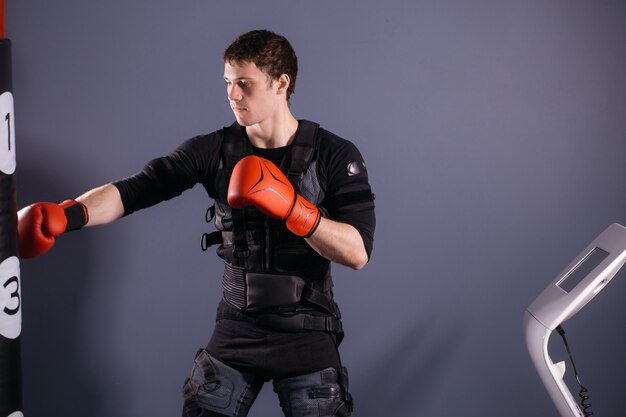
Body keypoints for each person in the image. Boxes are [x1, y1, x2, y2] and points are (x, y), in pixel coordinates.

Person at [17, 29, 375, 417]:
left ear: (281, 82)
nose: (232, 95)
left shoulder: (334, 154)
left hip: (307, 333)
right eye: (227, 82)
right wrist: (67, 215)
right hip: (238, 328)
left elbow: (357, 252)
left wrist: (294, 208)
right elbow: (137, 189)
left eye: (244, 84)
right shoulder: (216, 150)